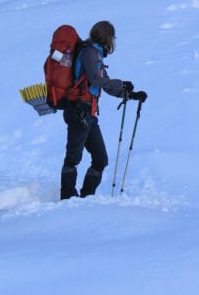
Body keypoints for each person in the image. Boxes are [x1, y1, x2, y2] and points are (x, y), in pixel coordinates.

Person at [60, 20, 146, 199]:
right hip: (79, 110)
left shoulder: (96, 54)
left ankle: (86, 197)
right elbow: (95, 80)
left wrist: (130, 94)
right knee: (73, 157)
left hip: (89, 113)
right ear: (106, 36)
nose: (112, 42)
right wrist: (121, 83)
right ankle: (67, 197)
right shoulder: (89, 53)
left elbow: (105, 84)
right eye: (112, 37)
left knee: (101, 159)